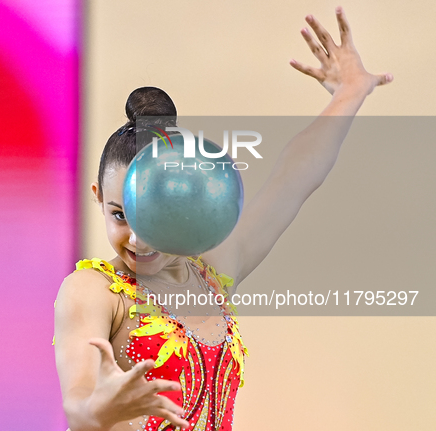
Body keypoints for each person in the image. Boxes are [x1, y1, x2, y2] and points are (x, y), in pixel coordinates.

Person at [54, 7, 392, 431]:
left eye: (151, 213)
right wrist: (97, 411)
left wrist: (349, 93)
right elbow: (78, 401)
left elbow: (293, 179)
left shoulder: (213, 273)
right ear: (98, 199)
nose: (138, 238)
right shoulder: (96, 292)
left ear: (186, 200)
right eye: (120, 214)